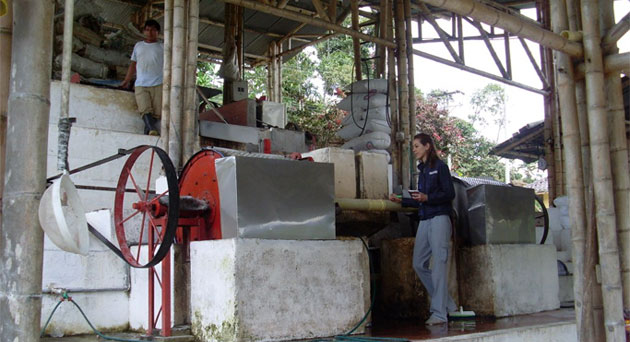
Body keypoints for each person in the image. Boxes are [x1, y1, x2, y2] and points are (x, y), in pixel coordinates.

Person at [389, 133, 457, 325]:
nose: (414, 150)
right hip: (425, 219)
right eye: (414, 147)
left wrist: (428, 198)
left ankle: (439, 313)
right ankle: (447, 304)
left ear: (427, 146)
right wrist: (402, 200)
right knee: (419, 263)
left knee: (439, 266)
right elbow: (421, 199)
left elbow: (449, 193)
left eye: (417, 146)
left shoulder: (440, 168)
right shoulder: (423, 171)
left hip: (440, 219)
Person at [121, 19, 163, 136]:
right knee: (144, 109)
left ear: (158, 32)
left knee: (156, 113)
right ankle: (151, 130)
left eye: (153, 30)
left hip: (158, 83)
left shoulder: (162, 47)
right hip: (141, 83)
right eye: (147, 30)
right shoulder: (138, 46)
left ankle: (148, 134)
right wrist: (126, 80)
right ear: (144, 31)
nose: (149, 33)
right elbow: (133, 65)